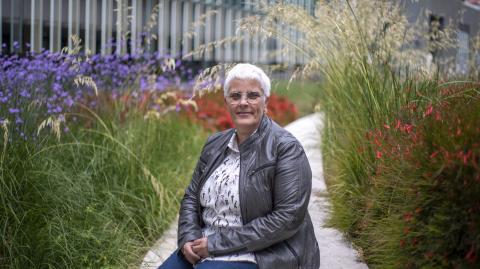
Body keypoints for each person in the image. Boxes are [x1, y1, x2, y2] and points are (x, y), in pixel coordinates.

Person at [159, 63, 320, 269]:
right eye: (235, 96)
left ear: (266, 101)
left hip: (261, 253)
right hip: (204, 246)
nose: (243, 102)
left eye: (252, 95)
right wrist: (188, 237)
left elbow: (287, 218)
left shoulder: (286, 149)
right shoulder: (214, 144)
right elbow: (191, 197)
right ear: (227, 102)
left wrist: (216, 244)